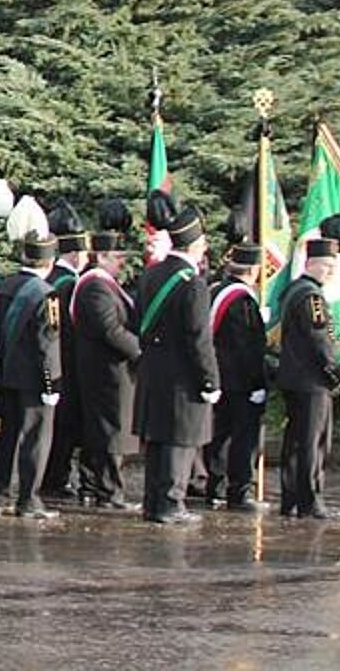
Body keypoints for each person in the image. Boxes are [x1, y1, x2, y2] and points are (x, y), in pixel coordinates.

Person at [133, 190, 219, 525]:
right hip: (183, 374)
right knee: (180, 439)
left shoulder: (152, 274)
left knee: (158, 438)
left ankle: (153, 502)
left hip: (154, 369)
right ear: (195, 245)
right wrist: (210, 379)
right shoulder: (193, 283)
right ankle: (171, 503)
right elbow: (198, 338)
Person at [0, 197, 62, 519]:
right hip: (34, 379)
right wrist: (51, 383)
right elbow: (48, 344)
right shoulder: (47, 294)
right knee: (35, 438)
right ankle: (29, 499)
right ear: (49, 261)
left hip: (7, 372)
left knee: (8, 435)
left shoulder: (4, 287)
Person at [72, 201, 142, 510]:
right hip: (106, 370)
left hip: (110, 369)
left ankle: (94, 486)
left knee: (106, 430)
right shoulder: (95, 287)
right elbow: (110, 330)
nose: (121, 263)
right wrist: (140, 351)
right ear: (101, 256)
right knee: (112, 432)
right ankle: (110, 492)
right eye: (116, 257)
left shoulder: (107, 284)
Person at [276, 237, 340, 519]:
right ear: (311, 263)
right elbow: (319, 340)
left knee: (296, 440)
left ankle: (291, 497)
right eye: (326, 266)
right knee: (312, 442)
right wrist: (336, 373)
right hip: (312, 381)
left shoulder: (294, 290)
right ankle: (310, 499)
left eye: (333, 267)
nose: (330, 272)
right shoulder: (312, 297)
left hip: (295, 378)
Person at [204, 242, 270, 512]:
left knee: (220, 435)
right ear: (254, 270)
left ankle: (216, 488)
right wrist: (258, 382)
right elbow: (248, 348)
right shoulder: (242, 300)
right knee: (243, 438)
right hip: (242, 381)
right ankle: (240, 491)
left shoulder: (214, 291)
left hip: (219, 376)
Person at [40, 199, 89, 501]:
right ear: (74, 253)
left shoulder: (49, 277)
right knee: (64, 426)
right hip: (66, 362)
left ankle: (53, 475)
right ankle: (55, 478)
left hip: (51, 360)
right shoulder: (69, 283)